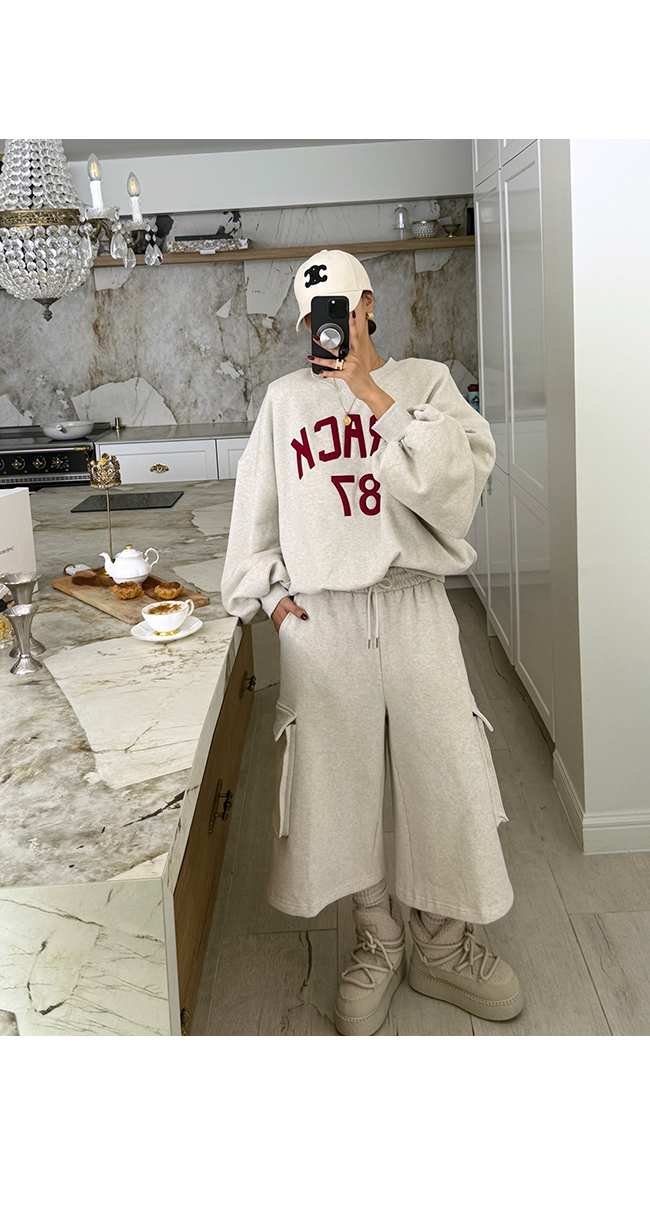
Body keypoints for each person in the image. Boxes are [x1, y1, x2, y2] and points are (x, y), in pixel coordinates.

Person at [221, 248, 523, 1035]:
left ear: (369, 307)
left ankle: (442, 943)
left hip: (415, 602)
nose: (332, 328)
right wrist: (273, 600)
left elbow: (459, 488)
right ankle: (378, 936)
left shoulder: (425, 383)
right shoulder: (285, 401)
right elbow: (256, 510)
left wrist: (372, 395)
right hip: (323, 619)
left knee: (448, 771)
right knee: (333, 782)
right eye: (316, 317)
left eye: (344, 311)